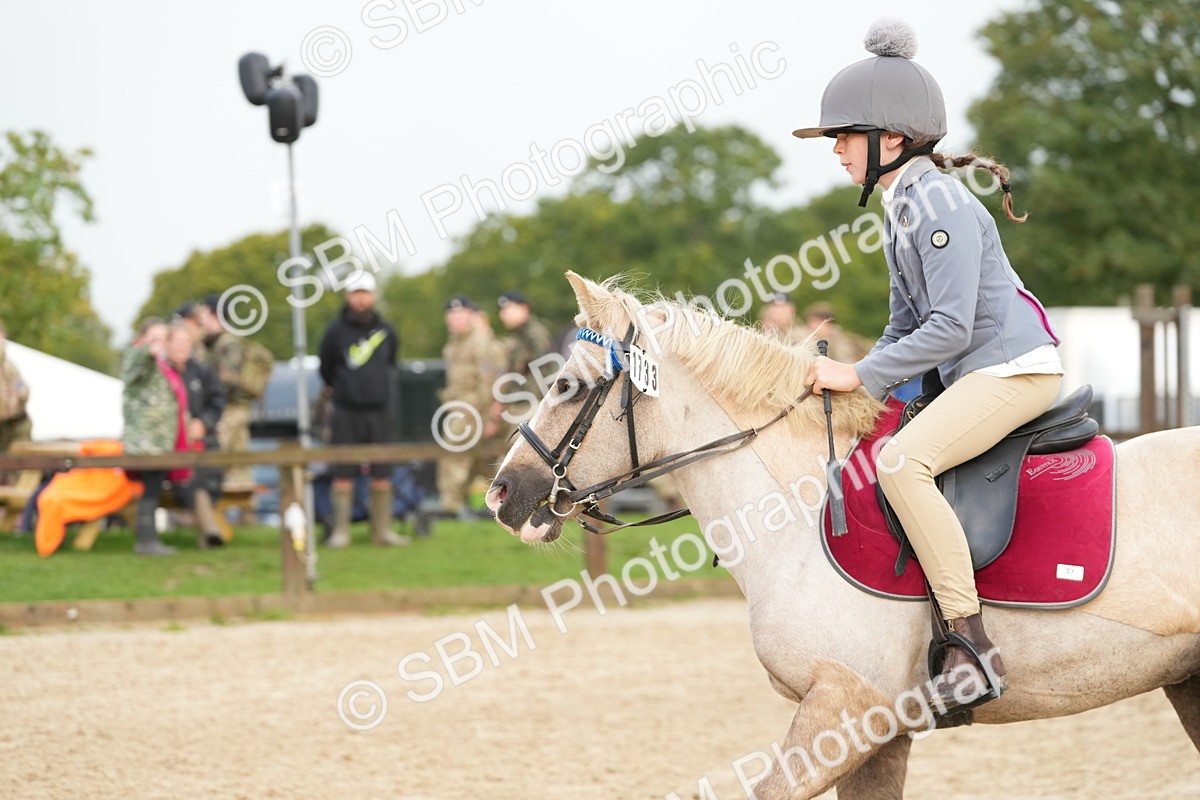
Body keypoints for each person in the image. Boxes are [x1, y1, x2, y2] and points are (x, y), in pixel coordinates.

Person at [795, 19, 1063, 712]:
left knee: (901, 464)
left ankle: (971, 644)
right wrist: (862, 385)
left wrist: (858, 374)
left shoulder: (936, 201)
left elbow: (948, 325)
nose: (837, 152)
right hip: (975, 374)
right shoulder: (901, 205)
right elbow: (903, 325)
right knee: (881, 444)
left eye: (844, 138)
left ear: (892, 138)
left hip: (1013, 371)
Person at [317, 271, 407, 547]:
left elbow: (391, 362)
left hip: (380, 411)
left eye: (365, 293)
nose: (361, 298)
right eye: (356, 293)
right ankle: (341, 532)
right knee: (342, 472)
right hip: (346, 412)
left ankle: (382, 531)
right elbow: (326, 368)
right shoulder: (334, 331)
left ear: (374, 295)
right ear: (348, 296)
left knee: (382, 472)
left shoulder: (387, 330)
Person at [121, 318, 191, 556]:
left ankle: (148, 540)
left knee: (152, 491)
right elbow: (135, 366)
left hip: (160, 443)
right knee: (150, 491)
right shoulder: (139, 359)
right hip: (145, 444)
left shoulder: (164, 365)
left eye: (163, 339)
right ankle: (146, 542)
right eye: (154, 338)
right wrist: (147, 351)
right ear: (142, 338)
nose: (159, 343)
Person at [437, 296, 506, 520]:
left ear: (470, 315)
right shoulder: (454, 343)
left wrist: (489, 418)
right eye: (450, 315)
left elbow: (489, 382)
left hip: (474, 408)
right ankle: (505, 500)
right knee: (481, 460)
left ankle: (450, 506)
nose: (454, 319)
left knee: (454, 452)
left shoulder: (480, 342)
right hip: (458, 406)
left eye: (459, 314)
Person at [165, 322, 226, 549]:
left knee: (210, 478)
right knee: (191, 481)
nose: (182, 347)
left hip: (205, 444)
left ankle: (208, 533)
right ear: (168, 344)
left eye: (186, 342)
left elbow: (217, 402)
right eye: (178, 342)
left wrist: (204, 423)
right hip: (175, 449)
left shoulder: (203, 371)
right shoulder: (162, 373)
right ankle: (209, 531)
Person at [193, 295, 254, 489]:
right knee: (238, 465)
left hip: (231, 410)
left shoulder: (227, 343)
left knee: (220, 460)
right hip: (233, 409)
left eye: (204, 317)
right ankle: (244, 515)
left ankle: (230, 510)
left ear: (215, 316)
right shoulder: (218, 343)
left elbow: (226, 379)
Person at [492, 290, 553, 429]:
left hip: (532, 405)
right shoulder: (522, 335)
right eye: (502, 310)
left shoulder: (536, 335)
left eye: (508, 309)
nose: (503, 314)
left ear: (524, 308)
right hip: (522, 403)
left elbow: (545, 371)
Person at [0, 319, 32, 482]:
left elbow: (23, 391)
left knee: (16, 470)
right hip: (6, 426)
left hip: (14, 425)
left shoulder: (9, 367)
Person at [801, 301, 871, 363]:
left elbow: (846, 364)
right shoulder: (807, 339)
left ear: (827, 322)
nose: (810, 325)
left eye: (814, 321)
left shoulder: (843, 341)